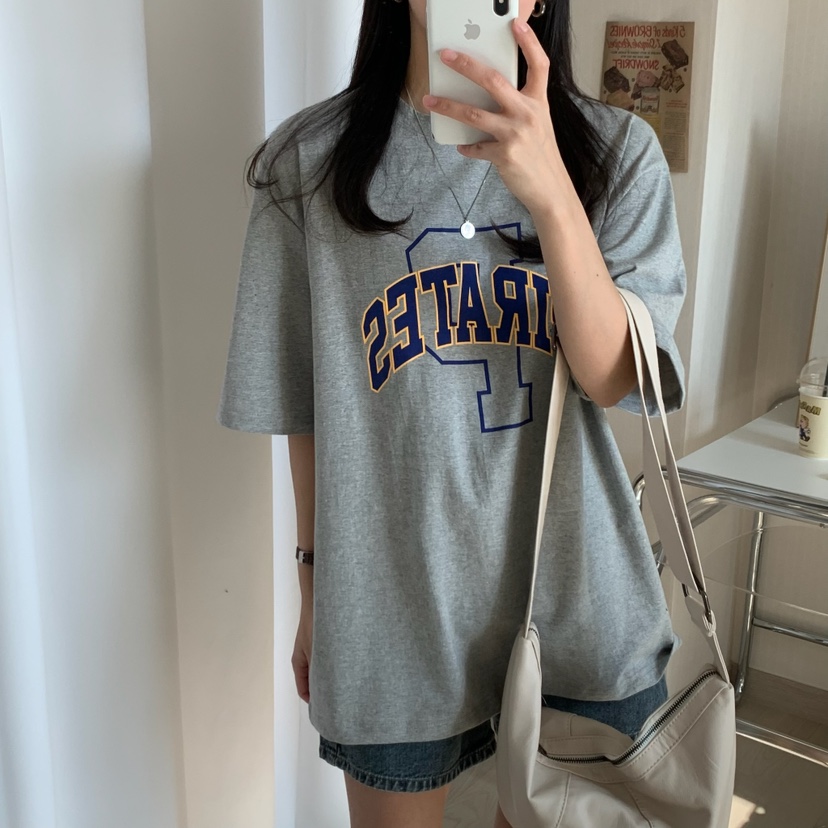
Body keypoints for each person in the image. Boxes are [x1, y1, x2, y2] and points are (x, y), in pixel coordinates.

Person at [217, 0, 687, 825]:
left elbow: (616, 378)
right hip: (388, 606)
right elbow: (305, 402)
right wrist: (314, 588)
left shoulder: (616, 151)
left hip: (576, 592)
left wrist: (552, 194)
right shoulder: (309, 164)